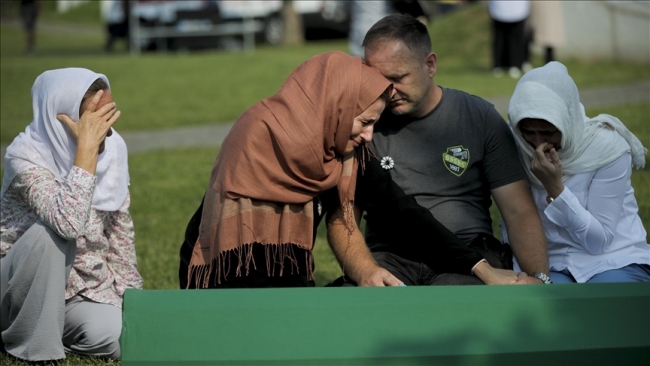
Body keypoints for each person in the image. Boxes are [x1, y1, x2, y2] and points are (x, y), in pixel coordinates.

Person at [327, 14, 550, 286]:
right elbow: (343, 217)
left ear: (430, 64)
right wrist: (364, 271)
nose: (388, 91)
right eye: (378, 79)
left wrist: (539, 278)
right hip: (390, 258)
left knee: (457, 306)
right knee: (347, 303)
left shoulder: (479, 117)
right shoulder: (363, 126)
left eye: (398, 78)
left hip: (470, 255)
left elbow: (518, 211)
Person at [179, 51, 392, 289]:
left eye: (374, 123)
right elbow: (240, 247)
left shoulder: (338, 143)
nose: (369, 135)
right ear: (336, 106)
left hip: (285, 273)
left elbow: (384, 204)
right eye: (365, 122)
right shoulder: (259, 133)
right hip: (228, 272)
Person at [0, 68, 143, 361]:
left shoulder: (113, 148)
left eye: (110, 115)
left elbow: (119, 235)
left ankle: (53, 329)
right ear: (61, 117)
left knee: (121, 338)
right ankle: (35, 347)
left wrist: (134, 302)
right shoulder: (26, 157)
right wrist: (86, 151)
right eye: (96, 120)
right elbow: (68, 223)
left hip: (77, 292)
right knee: (49, 234)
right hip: (16, 289)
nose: (108, 129)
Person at [505, 61, 650, 283]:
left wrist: (555, 188)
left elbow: (598, 242)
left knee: (606, 299)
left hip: (612, 259)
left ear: (567, 121)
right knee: (546, 306)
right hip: (549, 262)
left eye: (548, 132)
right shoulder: (514, 146)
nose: (537, 143)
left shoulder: (606, 147)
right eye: (528, 132)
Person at [487, 0, 530, 78]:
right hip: (498, 8)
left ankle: (516, 64)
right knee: (499, 38)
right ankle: (498, 65)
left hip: (518, 8)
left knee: (516, 38)